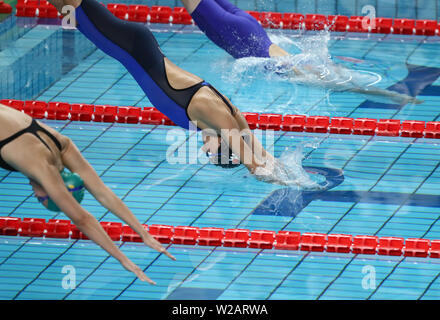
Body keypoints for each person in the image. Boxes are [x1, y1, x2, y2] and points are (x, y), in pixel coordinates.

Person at [47, 0, 291, 185]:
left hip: (137, 48)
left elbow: (251, 141)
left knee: (71, 9)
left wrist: (277, 165)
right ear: (221, 144)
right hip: (131, 49)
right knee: (72, 7)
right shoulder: (215, 118)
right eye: (210, 152)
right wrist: (289, 182)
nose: (204, 149)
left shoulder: (224, 114)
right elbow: (253, 163)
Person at [0, 103, 175, 284]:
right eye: (40, 198)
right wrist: (124, 259)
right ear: (52, 191)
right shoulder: (39, 166)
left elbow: (103, 192)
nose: (34, 194)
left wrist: (143, 233)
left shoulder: (61, 145)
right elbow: (82, 218)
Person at [181, 0, 423, 105]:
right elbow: (351, 87)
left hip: (243, 26)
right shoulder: (295, 72)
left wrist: (397, 97)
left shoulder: (293, 63)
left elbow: (349, 85)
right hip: (238, 28)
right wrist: (395, 97)